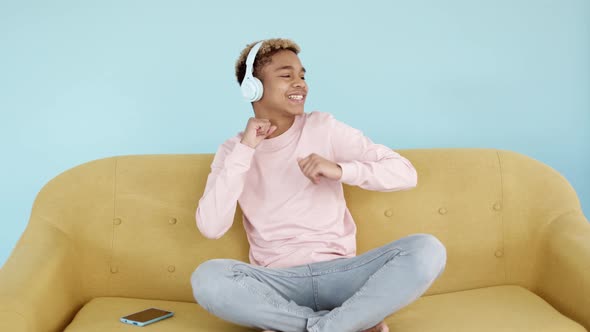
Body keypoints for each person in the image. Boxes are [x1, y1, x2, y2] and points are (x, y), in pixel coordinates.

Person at [190, 38, 446, 332]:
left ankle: (310, 326)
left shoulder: (324, 127)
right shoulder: (233, 151)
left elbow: (405, 173)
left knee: (428, 249)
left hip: (343, 276)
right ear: (253, 87)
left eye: (302, 75)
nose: (300, 84)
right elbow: (211, 226)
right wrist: (246, 149)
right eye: (286, 76)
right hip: (278, 283)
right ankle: (345, 323)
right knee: (207, 278)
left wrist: (339, 169)